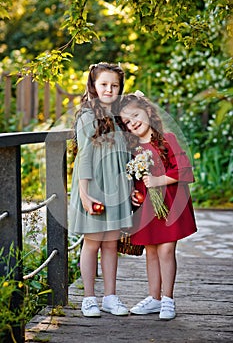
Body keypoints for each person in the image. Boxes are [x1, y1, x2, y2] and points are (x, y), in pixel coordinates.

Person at [117, 93, 197, 320]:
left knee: (166, 250)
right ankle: (154, 298)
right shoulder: (133, 148)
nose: (133, 122)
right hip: (147, 208)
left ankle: (168, 299)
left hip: (169, 204)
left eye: (135, 115)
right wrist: (134, 192)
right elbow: (133, 178)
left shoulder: (167, 139)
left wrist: (159, 181)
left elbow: (183, 169)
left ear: (148, 112)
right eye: (127, 122)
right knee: (151, 251)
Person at [69, 62, 133, 318]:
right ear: (93, 86)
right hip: (94, 186)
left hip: (115, 187)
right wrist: (84, 194)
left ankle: (110, 296)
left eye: (114, 85)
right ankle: (88, 298)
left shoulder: (120, 118)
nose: (109, 89)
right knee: (93, 243)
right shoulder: (87, 116)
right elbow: (84, 155)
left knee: (110, 243)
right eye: (104, 84)